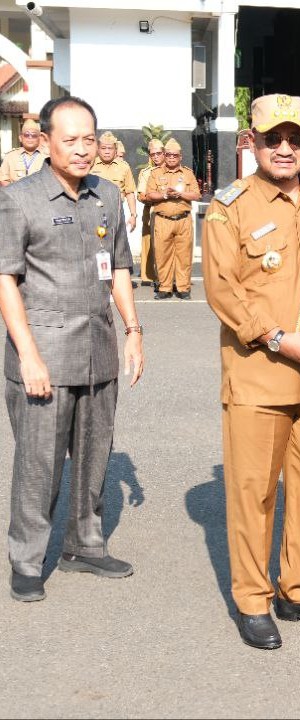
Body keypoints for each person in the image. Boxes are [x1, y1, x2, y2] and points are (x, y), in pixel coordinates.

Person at [202, 93, 300, 651]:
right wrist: (276, 337)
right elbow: (222, 289)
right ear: (253, 142)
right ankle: (253, 599)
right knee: (253, 494)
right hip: (260, 376)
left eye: (296, 138)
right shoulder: (230, 206)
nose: (285, 149)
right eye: (273, 138)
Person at [0, 96, 144, 603]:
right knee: (39, 463)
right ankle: (26, 558)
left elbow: (121, 267)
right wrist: (28, 355)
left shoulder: (105, 194)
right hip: (44, 354)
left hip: (97, 349)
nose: (84, 150)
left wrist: (133, 330)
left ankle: (84, 545)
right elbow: (5, 281)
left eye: (90, 139)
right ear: (44, 140)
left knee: (93, 457)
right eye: (71, 140)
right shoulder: (20, 199)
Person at [145, 138, 200, 300]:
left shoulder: (188, 173)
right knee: (162, 255)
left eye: (174, 156)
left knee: (184, 255)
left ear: (180, 157)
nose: (171, 158)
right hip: (163, 220)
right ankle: (164, 287)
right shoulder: (156, 173)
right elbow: (149, 194)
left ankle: (183, 288)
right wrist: (165, 195)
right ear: (164, 155)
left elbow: (196, 194)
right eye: (168, 155)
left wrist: (181, 194)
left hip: (183, 220)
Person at [90, 131, 138, 233]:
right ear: (98, 149)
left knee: (117, 244)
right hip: (94, 213)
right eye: (103, 148)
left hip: (116, 213)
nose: (107, 151)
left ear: (115, 150)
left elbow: (129, 192)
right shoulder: (90, 165)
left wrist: (133, 215)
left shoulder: (124, 167)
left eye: (110, 148)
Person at [136, 139, 164, 290]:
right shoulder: (146, 173)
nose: (156, 157)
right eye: (153, 154)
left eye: (159, 153)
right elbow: (140, 195)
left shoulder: (174, 170)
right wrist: (154, 197)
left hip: (171, 212)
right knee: (151, 245)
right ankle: (153, 276)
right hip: (152, 211)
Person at [0, 119, 47, 187]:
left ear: (39, 138)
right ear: (20, 138)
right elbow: (3, 179)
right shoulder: (10, 156)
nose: (30, 138)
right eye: (26, 135)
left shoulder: (48, 157)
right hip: (15, 195)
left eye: (34, 135)